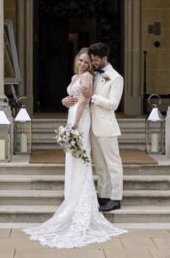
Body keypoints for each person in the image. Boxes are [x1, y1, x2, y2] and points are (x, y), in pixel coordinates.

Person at [24, 49, 126, 249]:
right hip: (80, 119)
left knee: (104, 161)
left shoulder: (110, 77)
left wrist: (74, 124)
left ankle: (113, 197)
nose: (86, 63)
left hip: (88, 121)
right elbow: (75, 96)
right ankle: (86, 194)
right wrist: (64, 101)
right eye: (83, 60)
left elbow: (96, 102)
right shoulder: (81, 76)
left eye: (90, 61)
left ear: (100, 59)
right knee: (89, 162)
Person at [80, 42, 124, 212]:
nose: (94, 62)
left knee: (113, 164)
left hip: (107, 127)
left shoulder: (116, 78)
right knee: (99, 165)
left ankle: (116, 198)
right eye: (92, 59)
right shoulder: (95, 75)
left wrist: (93, 98)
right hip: (92, 127)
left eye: (96, 59)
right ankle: (103, 195)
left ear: (105, 58)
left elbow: (113, 104)